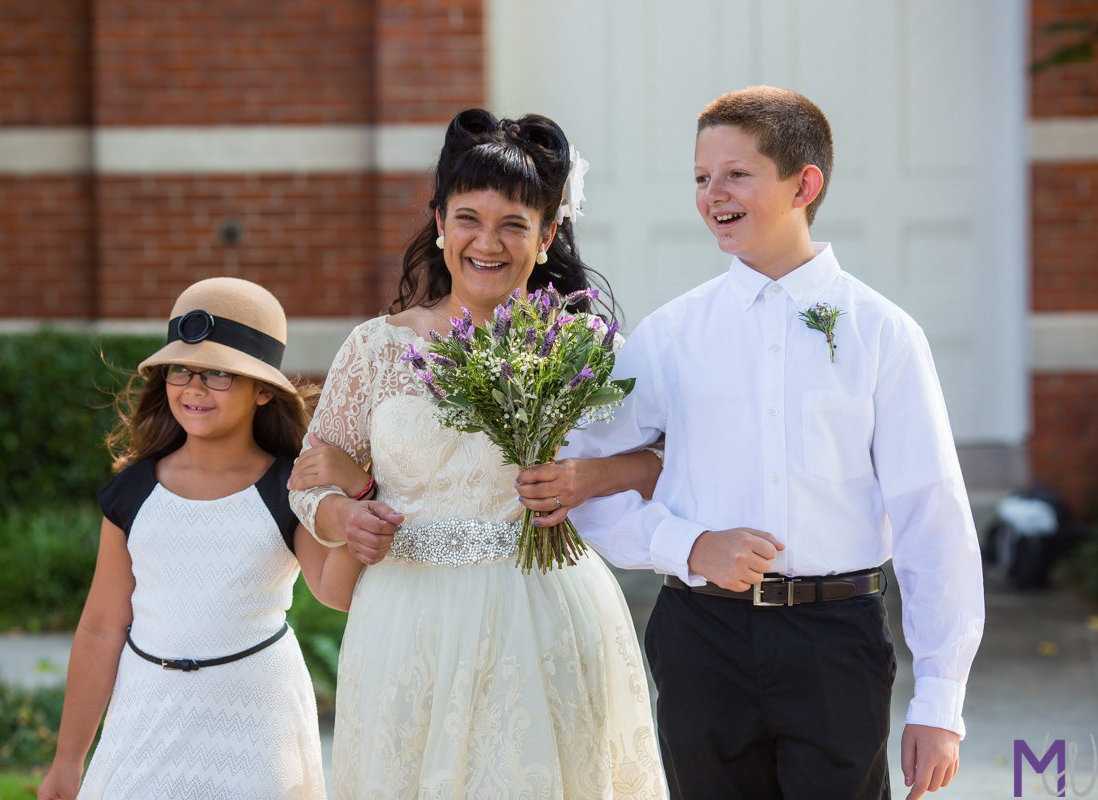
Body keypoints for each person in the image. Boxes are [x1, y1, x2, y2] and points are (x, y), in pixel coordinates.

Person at [544, 86, 986, 800]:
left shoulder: (882, 334)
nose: (711, 193)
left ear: (803, 184)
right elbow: (583, 476)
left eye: (735, 174)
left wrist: (941, 701)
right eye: (699, 177)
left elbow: (932, 517)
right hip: (702, 639)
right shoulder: (669, 337)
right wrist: (688, 547)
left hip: (836, 641)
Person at [289, 108, 668, 799]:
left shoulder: (584, 349)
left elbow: (664, 462)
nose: (486, 243)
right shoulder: (375, 348)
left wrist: (590, 478)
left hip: (545, 615)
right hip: (408, 621)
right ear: (439, 221)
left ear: (548, 235)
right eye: (468, 218)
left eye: (513, 225)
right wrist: (349, 515)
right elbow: (309, 482)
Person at [39, 277, 371, 800]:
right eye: (181, 370)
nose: (193, 388)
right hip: (145, 713)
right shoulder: (133, 491)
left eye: (219, 373)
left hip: (258, 720)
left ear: (263, 388)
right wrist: (67, 759)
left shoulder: (290, 488)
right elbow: (102, 627)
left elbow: (334, 591)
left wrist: (359, 507)